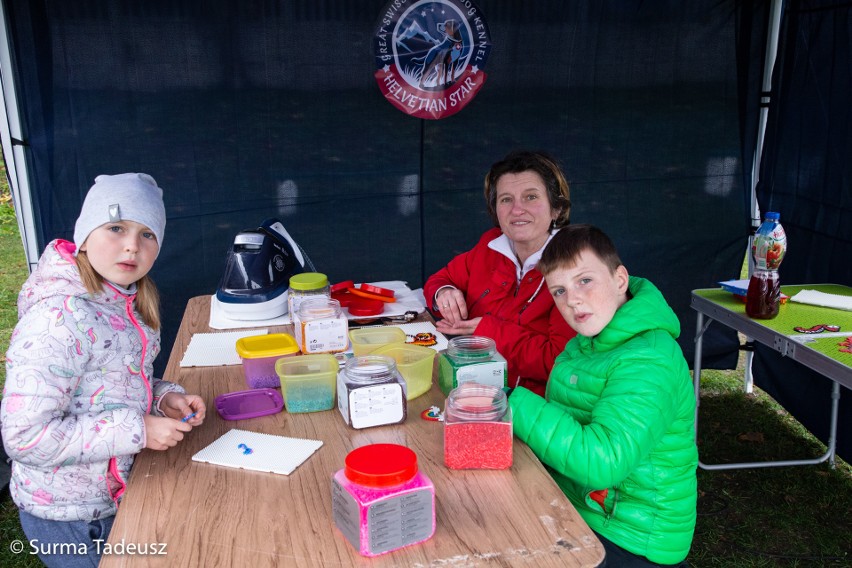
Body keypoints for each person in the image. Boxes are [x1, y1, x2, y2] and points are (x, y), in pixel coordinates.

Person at [1, 173, 206, 568]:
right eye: (116, 227)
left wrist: (165, 398)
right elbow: (25, 437)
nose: (132, 245)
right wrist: (138, 429)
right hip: (69, 517)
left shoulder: (126, 304)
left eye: (148, 234)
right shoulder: (58, 318)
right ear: (84, 234)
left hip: (111, 495)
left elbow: (113, 383)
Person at [509, 224, 697, 567]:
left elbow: (602, 461)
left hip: (630, 535)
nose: (573, 299)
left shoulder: (649, 359)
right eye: (559, 291)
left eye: (584, 281)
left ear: (620, 279)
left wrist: (513, 402)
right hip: (580, 506)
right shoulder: (584, 344)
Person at [423, 150, 577, 395]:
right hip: (466, 383)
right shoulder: (491, 244)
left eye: (531, 197)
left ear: (556, 209)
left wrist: (488, 331)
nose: (517, 209)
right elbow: (441, 279)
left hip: (530, 407)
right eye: (506, 199)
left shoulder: (574, 268)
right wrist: (445, 291)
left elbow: (559, 362)